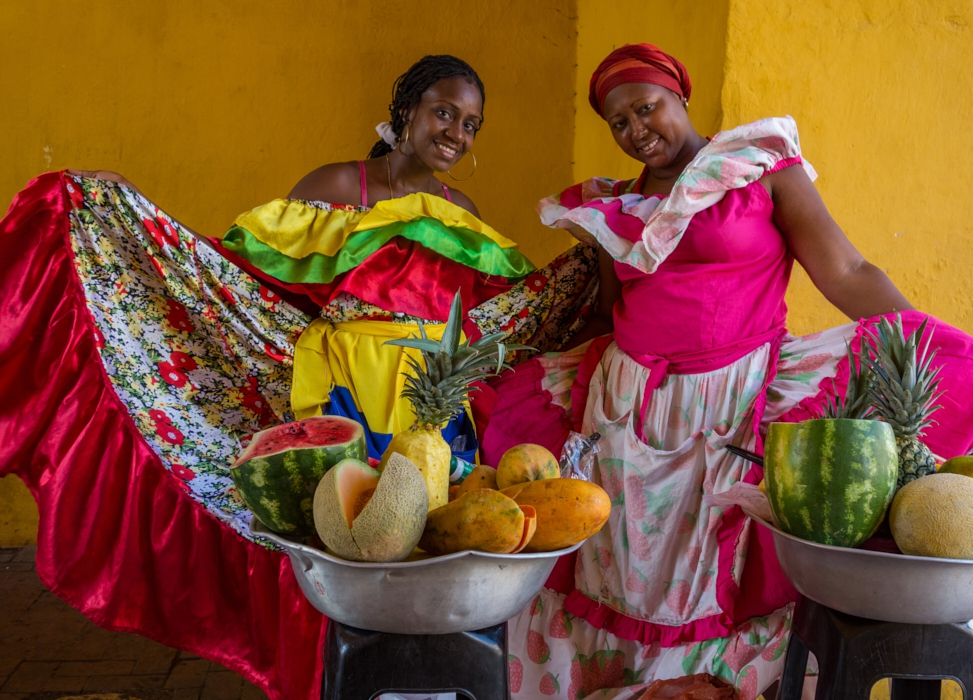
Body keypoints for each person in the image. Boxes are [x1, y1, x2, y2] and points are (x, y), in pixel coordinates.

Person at [0, 55, 595, 700]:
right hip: (340, 391)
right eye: (444, 112)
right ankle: (327, 679)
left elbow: (483, 318)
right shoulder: (340, 184)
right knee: (341, 535)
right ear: (407, 112)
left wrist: (596, 253)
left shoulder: (463, 209)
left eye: (471, 124)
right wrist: (133, 213)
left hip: (431, 406)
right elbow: (239, 278)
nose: (456, 132)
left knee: (438, 538)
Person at [487, 44, 973, 699]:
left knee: (717, 563)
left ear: (682, 97)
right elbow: (614, 311)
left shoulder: (759, 169)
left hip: (735, 400)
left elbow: (844, 272)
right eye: (619, 122)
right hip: (624, 407)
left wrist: (920, 342)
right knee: (620, 568)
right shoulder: (615, 209)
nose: (637, 129)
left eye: (647, 107)